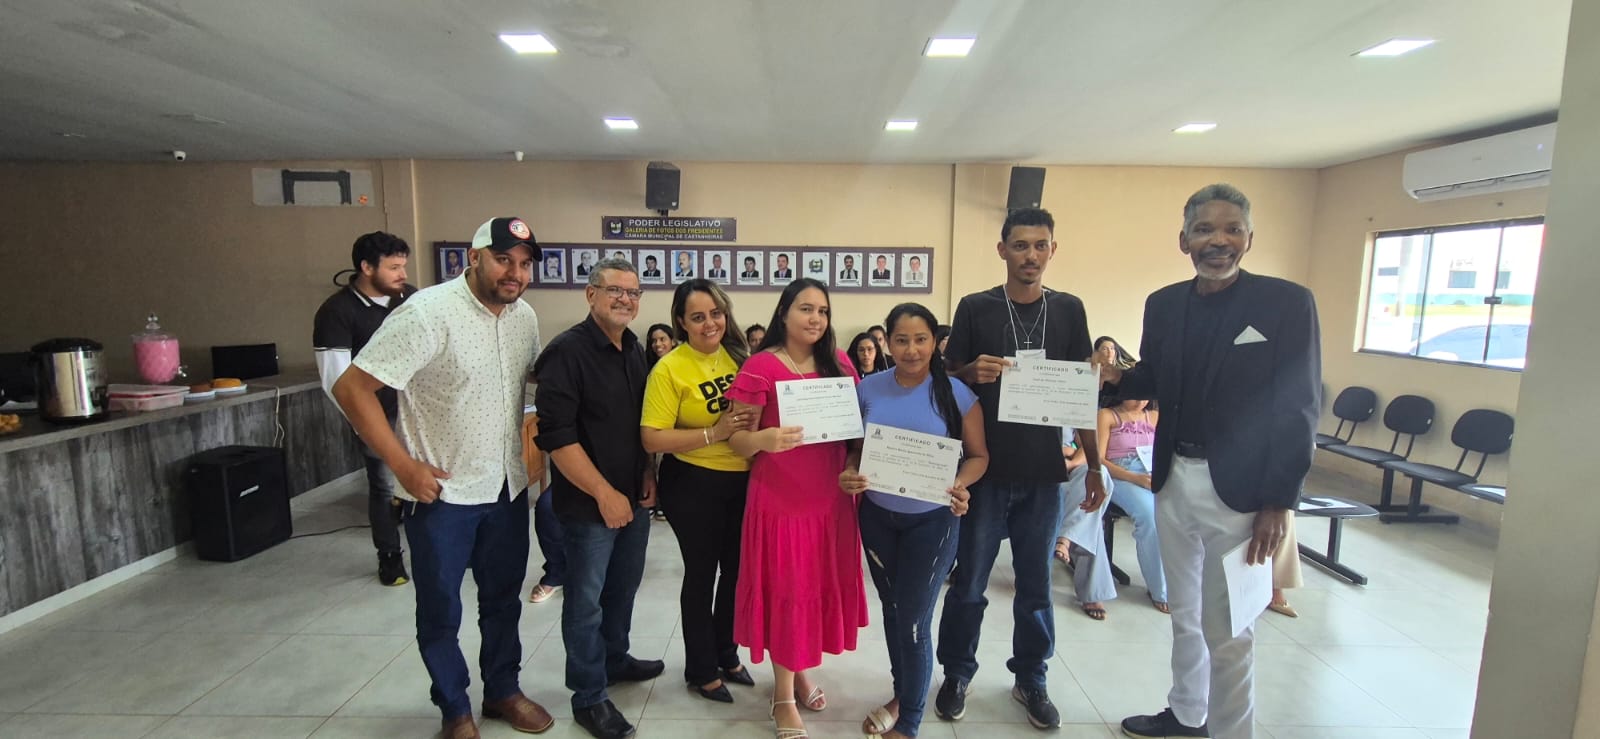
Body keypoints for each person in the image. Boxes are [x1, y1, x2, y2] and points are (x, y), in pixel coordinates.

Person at [1105, 184, 1321, 739]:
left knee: (1230, 629)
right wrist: (1110, 379)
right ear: (1184, 240)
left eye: (1231, 229)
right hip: (1173, 479)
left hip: (1244, 493)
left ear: (1249, 238)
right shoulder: (1164, 303)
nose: (1217, 241)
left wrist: (1279, 503)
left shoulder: (1286, 303)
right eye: (1204, 230)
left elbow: (1299, 408)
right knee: (1185, 612)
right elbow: (1153, 378)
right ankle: (1187, 714)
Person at [331, 216, 552, 739]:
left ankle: (502, 691)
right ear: (473, 258)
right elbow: (352, 389)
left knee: (502, 602)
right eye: (503, 259)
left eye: (524, 264)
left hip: (505, 489)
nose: (515, 273)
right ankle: (455, 710)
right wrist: (403, 465)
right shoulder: (427, 312)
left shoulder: (524, 317)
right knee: (440, 611)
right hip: (442, 495)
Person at [934, 207, 1103, 730]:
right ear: (1002, 249)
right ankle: (957, 673)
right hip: (985, 471)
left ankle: (1031, 677)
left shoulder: (1069, 310)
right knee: (969, 585)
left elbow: (1082, 396)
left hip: (1043, 475)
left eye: (1040, 245)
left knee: (1035, 588)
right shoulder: (975, 306)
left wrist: (1095, 467)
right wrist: (969, 370)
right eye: (1021, 244)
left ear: (1053, 250)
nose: (1031, 254)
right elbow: (946, 381)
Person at [725, 278, 867, 739]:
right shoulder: (760, 366)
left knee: (812, 588)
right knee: (788, 589)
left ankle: (800, 669)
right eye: (806, 309)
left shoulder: (839, 363)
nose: (815, 319)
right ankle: (783, 695)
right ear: (783, 312)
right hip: (780, 501)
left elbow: (855, 435)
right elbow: (736, 440)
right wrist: (763, 439)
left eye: (823, 311)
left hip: (830, 499)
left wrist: (852, 467)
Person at [840, 302, 989, 739]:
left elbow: (979, 457)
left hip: (933, 522)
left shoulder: (957, 394)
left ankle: (909, 722)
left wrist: (959, 483)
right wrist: (850, 471)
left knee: (912, 621)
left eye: (920, 339)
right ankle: (902, 692)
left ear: (935, 342)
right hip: (877, 518)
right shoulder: (868, 388)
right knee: (893, 610)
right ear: (887, 341)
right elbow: (854, 448)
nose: (911, 349)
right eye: (901, 340)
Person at [534, 257, 664, 739]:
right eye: (615, 290)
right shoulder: (566, 353)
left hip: (633, 497)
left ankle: (614, 659)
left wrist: (647, 472)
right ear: (591, 294)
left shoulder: (633, 348)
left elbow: (639, 423)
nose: (625, 300)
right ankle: (589, 696)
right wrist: (604, 493)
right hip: (589, 505)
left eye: (633, 292)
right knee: (585, 602)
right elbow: (556, 437)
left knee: (622, 589)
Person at [640, 279, 760, 704]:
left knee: (736, 573)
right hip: (693, 483)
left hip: (742, 481)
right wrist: (715, 432)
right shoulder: (669, 368)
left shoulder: (741, 357)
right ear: (681, 322)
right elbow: (652, 437)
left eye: (715, 313)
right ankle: (701, 669)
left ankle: (727, 653)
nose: (709, 323)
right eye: (697, 317)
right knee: (702, 573)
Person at [313, 231, 418, 587]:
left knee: (429, 480)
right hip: (377, 414)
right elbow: (336, 381)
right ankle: (390, 556)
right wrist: (365, 424)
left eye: (403, 266)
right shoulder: (337, 312)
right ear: (366, 268)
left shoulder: (410, 299)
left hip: (417, 411)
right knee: (385, 486)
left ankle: (441, 549)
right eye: (394, 267)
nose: (403, 274)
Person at [1053, 429, 1117, 620]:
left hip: (1070, 470)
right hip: (1039, 471)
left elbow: (1088, 446)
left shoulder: (1075, 409)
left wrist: (1072, 461)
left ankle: (1064, 539)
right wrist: (1065, 451)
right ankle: (1066, 538)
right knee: (1089, 519)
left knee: (1100, 475)